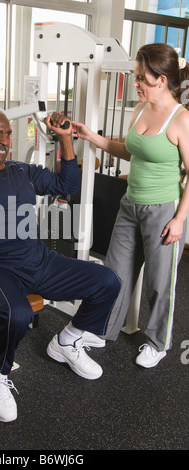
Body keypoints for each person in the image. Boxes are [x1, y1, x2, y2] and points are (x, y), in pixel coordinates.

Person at [0, 106, 121, 422]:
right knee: (18, 312)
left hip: (38, 260)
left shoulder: (21, 170)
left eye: (8, 133)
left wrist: (64, 139)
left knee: (107, 281)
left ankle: (67, 341)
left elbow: (66, 185)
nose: (5, 140)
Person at [72, 43, 189, 369]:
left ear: (162, 80)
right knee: (114, 275)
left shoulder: (181, 120)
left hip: (164, 210)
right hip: (130, 204)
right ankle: (104, 330)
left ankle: (158, 342)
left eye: (141, 78)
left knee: (159, 282)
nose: (135, 83)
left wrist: (180, 219)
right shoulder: (140, 110)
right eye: (136, 76)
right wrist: (91, 136)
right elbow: (130, 151)